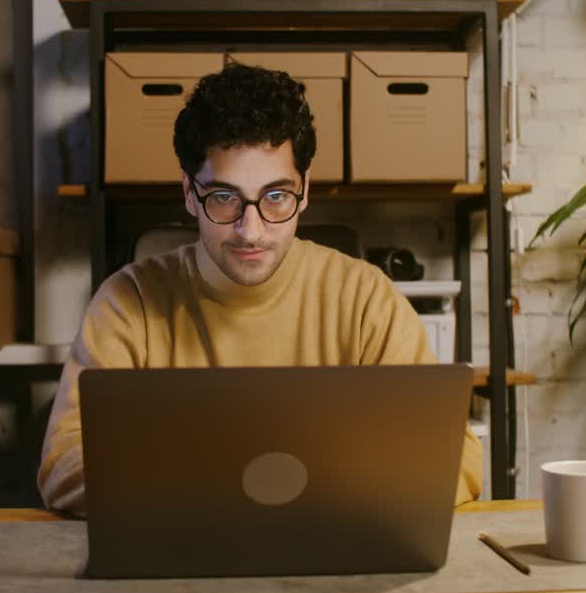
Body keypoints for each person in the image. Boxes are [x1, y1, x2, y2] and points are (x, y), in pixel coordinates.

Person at [37, 62, 483, 515]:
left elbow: (457, 454)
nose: (250, 231)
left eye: (276, 197)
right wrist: (230, 482)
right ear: (190, 194)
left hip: (329, 555)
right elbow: (65, 462)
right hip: (180, 562)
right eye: (224, 198)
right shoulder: (127, 300)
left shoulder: (365, 297)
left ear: (304, 191)